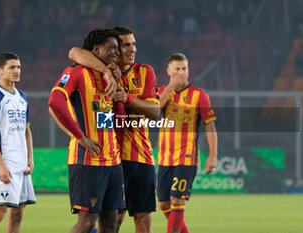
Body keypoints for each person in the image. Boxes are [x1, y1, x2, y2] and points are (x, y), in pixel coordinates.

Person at [69, 26, 160, 233]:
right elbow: (74, 52)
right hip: (111, 157)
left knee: (142, 218)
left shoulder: (144, 72)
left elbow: (155, 112)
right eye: (126, 45)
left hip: (140, 156)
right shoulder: (100, 70)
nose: (131, 49)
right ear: (115, 48)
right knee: (110, 222)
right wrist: (105, 72)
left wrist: (127, 98)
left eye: (134, 44)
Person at [48, 28, 125, 233]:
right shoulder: (76, 72)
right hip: (87, 159)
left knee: (111, 224)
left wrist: (118, 91)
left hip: (113, 160)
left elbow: (114, 121)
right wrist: (80, 136)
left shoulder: (110, 78)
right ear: (96, 49)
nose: (117, 52)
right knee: (87, 223)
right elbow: (55, 101)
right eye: (112, 48)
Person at [157, 53, 218, 233]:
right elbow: (154, 109)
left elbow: (210, 126)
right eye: (177, 69)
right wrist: (171, 87)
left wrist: (213, 155)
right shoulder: (162, 92)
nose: (181, 72)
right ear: (168, 71)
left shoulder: (199, 96)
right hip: (165, 158)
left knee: (177, 200)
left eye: (184, 69)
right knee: (163, 203)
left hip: (187, 157)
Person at [0, 52, 36, 233]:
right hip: (5, 162)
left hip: (22, 164)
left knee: (18, 213)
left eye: (19, 67)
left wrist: (30, 158)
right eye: (12, 67)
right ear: (0, 71)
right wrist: (1, 165)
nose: (17, 71)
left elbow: (27, 130)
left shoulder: (22, 97)